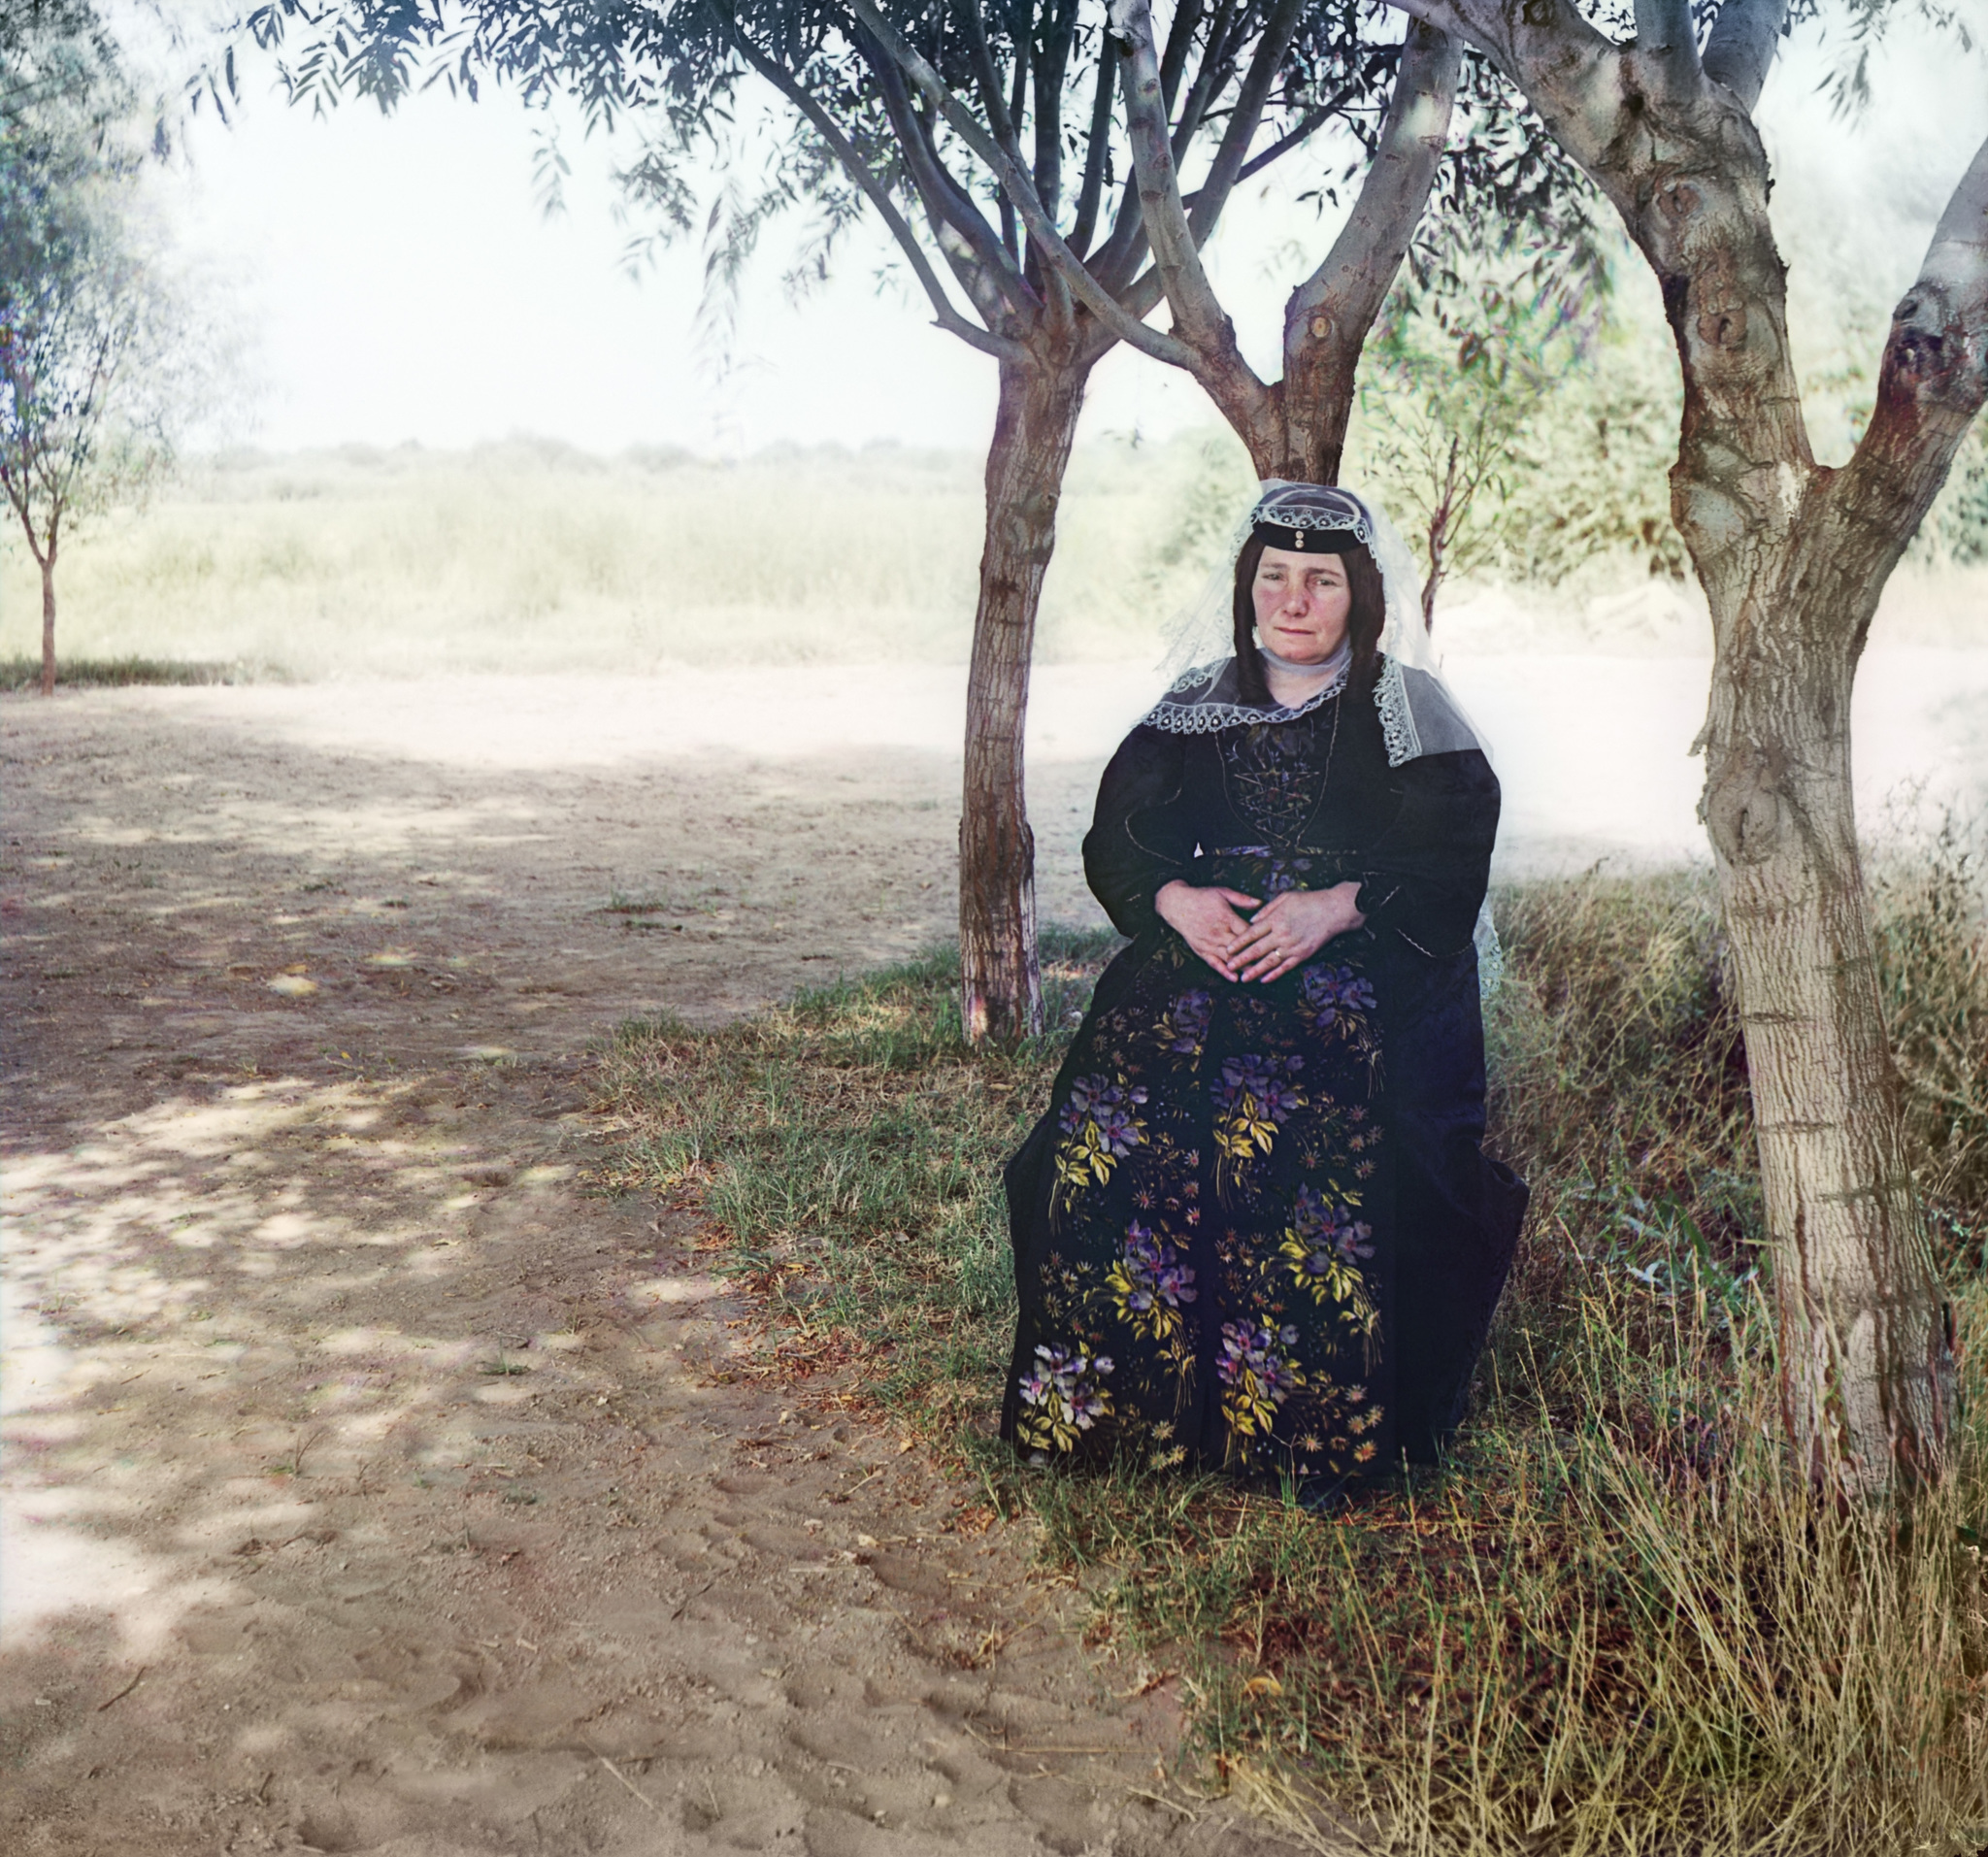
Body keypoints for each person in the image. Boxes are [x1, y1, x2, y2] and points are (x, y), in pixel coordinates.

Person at [998, 481, 1528, 1498]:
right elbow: (1116, 839)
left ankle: (1299, 1434)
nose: (1293, 600)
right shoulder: (1196, 705)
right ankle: (1119, 1415)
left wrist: (1336, 903)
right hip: (1208, 948)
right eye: (1273, 577)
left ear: (1358, 597)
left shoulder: (1409, 709)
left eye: (1319, 581)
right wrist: (1173, 897)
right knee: (1108, 1118)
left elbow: (1451, 854)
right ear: (1245, 587)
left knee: (1291, 1117)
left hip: (1365, 959)